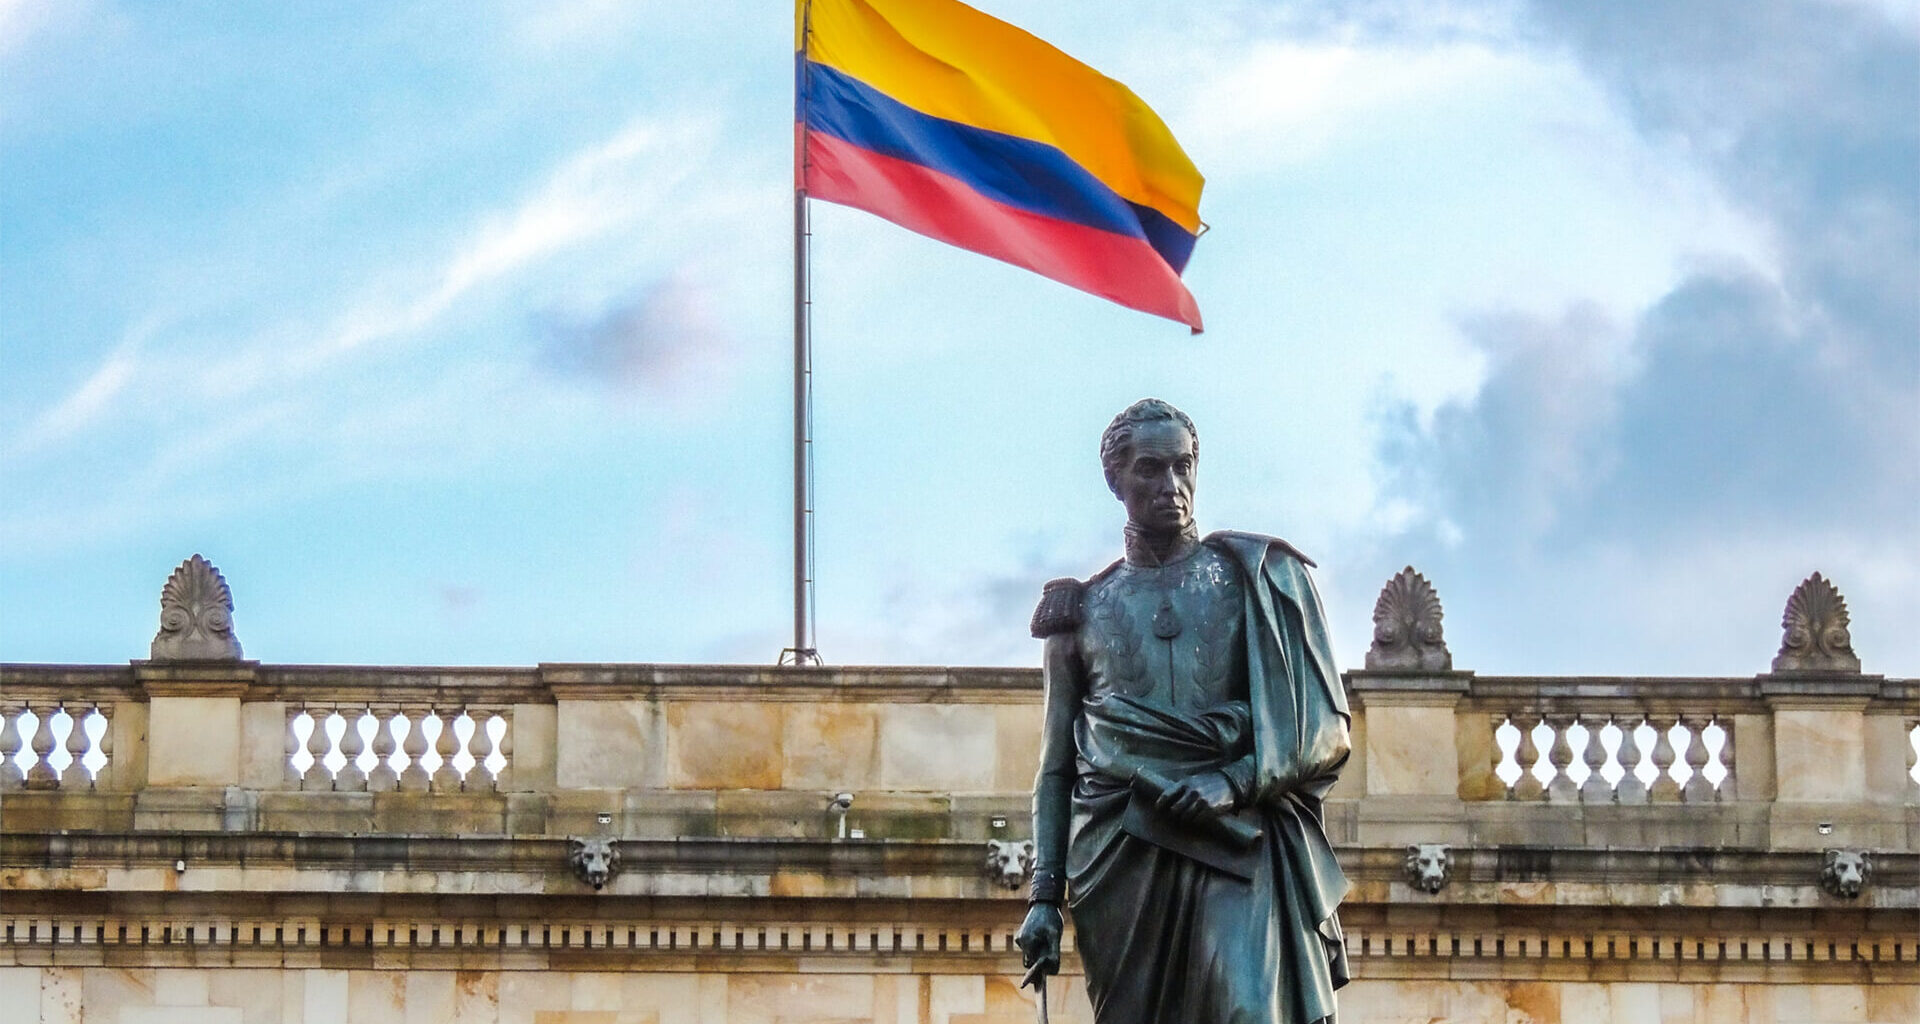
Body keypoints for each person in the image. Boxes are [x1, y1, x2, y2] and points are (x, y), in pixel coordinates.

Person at [1015, 399, 1353, 1024]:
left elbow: (1324, 730)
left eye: (1183, 466)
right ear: (1116, 480)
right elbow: (1056, 767)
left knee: (1249, 1010)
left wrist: (1230, 781)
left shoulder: (1260, 580)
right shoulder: (1078, 614)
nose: (1171, 487)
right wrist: (1043, 895)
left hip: (1239, 838)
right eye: (1149, 469)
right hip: (1120, 852)